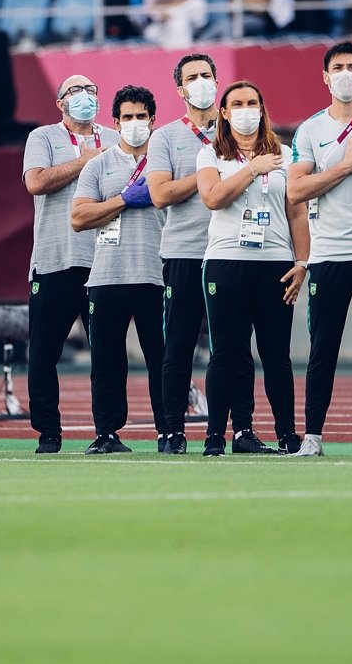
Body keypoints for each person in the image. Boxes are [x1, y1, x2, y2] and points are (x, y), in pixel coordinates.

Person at [287, 41, 352, 457]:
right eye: (338, 67)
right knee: (322, 348)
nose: (346, 73)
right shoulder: (311, 130)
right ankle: (312, 436)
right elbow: (296, 189)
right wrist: (345, 168)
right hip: (329, 253)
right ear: (325, 77)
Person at [196, 80, 309, 456]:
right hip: (226, 262)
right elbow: (212, 198)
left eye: (253, 103)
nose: (247, 110)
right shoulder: (211, 155)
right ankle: (217, 434)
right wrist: (251, 169)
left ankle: (287, 435)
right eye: (238, 104)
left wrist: (301, 261)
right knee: (227, 352)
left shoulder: (286, 154)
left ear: (262, 109)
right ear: (224, 113)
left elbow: (297, 211)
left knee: (276, 353)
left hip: (274, 263)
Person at [23, 75, 120, 454]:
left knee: (107, 352)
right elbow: (36, 182)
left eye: (92, 90)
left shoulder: (114, 138)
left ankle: (108, 431)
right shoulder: (43, 138)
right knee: (44, 353)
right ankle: (48, 432)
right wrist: (85, 162)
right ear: (60, 102)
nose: (85, 97)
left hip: (105, 261)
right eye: (76, 92)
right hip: (55, 259)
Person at [71, 85, 165, 454]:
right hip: (107, 274)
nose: (135, 123)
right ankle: (107, 432)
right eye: (127, 117)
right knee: (106, 360)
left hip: (156, 272)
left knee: (162, 358)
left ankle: (168, 430)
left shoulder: (165, 161)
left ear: (153, 121)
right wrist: (123, 200)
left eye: (141, 116)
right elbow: (78, 216)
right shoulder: (99, 164)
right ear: (116, 122)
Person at [146, 53, 225, 455]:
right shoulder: (164, 137)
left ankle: (225, 432)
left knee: (229, 349)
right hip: (183, 251)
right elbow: (160, 194)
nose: (201, 82)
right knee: (177, 347)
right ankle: (172, 431)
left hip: (231, 252)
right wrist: (209, 173)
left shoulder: (234, 128)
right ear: (180, 89)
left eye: (206, 75)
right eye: (192, 77)